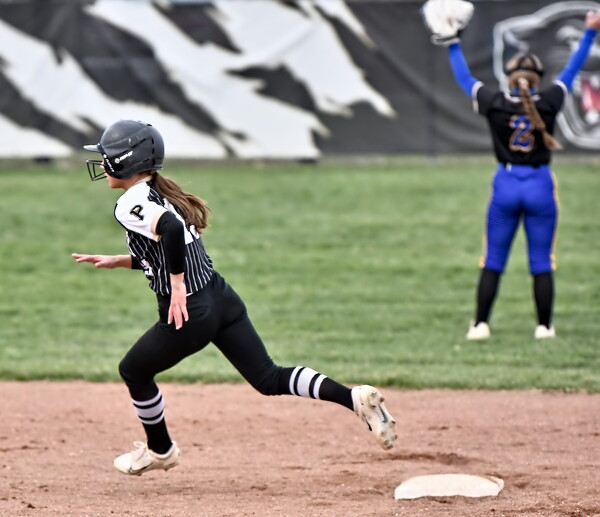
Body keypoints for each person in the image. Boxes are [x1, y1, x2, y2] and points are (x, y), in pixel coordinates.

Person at [72, 120, 397, 476]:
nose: (102, 163)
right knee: (269, 378)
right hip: (221, 298)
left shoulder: (129, 202)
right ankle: (354, 399)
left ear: (126, 161)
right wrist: (122, 261)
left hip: (190, 312)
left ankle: (161, 450)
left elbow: (172, 230)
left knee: (133, 371)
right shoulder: (163, 192)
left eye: (108, 156)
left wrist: (177, 285)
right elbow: (170, 248)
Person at [435, 9, 600, 340]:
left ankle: (480, 325)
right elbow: (571, 69)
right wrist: (590, 32)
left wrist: (452, 43)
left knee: (493, 258)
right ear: (538, 78)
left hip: (506, 184)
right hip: (539, 184)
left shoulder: (495, 102)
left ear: (509, 77)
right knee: (541, 261)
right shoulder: (550, 100)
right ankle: (544, 327)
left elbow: (465, 79)